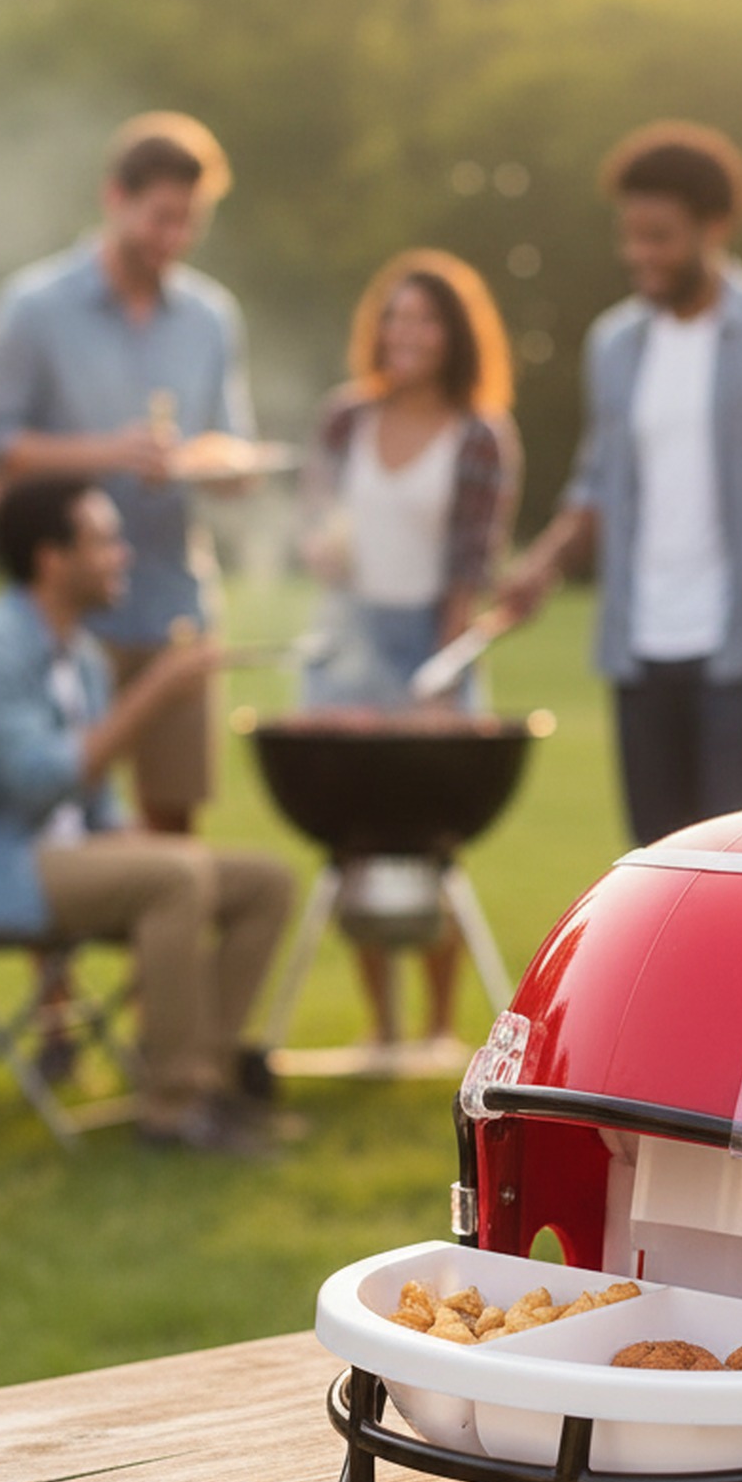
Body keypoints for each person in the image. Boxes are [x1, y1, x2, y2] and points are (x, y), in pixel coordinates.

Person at [0, 476, 294, 1152]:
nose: (123, 556)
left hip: (71, 858)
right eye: (105, 541)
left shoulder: (82, 654)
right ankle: (173, 1111)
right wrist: (153, 695)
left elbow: (100, 810)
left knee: (264, 882)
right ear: (52, 560)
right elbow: (37, 783)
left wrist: (147, 842)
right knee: (172, 878)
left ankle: (209, 1077)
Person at [498, 121, 742, 847]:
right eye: (630, 237)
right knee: (656, 876)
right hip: (638, 650)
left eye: (659, 236)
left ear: (715, 227)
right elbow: (596, 481)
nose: (639, 255)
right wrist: (544, 562)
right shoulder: (615, 344)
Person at [0, 111, 252, 838]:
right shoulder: (35, 307)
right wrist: (109, 454)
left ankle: (161, 954)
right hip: (66, 604)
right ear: (114, 198)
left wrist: (218, 466)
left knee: (174, 816)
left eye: (190, 223)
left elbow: (230, 446)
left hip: (173, 600)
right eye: (160, 218)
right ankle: (56, 958)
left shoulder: (211, 318)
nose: (173, 239)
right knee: (58, 814)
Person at [299, 249, 520, 1050]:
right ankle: (380, 1025)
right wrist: (316, 546)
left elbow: (472, 564)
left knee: (432, 842)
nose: (406, 333)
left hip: (431, 639)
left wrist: (441, 676)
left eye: (424, 319)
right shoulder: (343, 419)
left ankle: (434, 1026)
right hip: (347, 639)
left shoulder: (479, 435)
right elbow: (313, 518)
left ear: (454, 335)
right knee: (354, 837)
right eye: (395, 317)